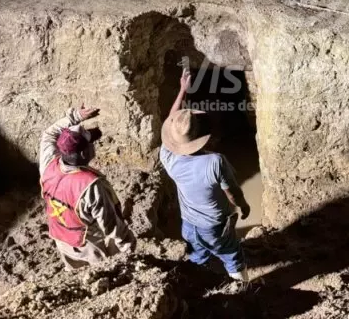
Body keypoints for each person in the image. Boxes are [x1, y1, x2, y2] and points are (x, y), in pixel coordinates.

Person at [160, 69, 251, 282]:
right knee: (232, 256)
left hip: (188, 225)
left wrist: (182, 90)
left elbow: (172, 122)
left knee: (198, 257)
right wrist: (243, 206)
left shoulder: (167, 156)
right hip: (214, 226)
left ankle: (199, 285)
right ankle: (243, 291)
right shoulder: (215, 161)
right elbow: (232, 192)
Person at [39, 105, 136, 269]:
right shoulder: (90, 185)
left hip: (61, 237)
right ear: (84, 153)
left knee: (75, 275)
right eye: (91, 143)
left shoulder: (48, 163)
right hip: (87, 244)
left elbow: (49, 134)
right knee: (101, 273)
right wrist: (127, 244)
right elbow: (110, 224)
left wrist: (75, 117)